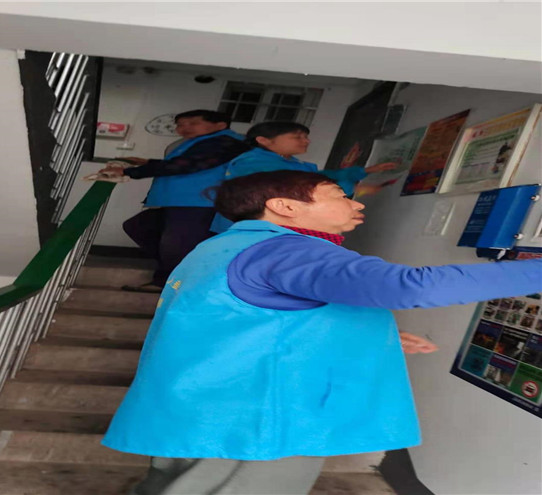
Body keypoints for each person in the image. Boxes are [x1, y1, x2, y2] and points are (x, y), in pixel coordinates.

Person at [102, 170, 542, 495]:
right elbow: (412, 287)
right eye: (340, 195)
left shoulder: (225, 246)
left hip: (198, 408)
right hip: (255, 422)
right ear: (285, 207)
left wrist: (366, 336)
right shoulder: (287, 250)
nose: (357, 205)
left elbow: (240, 316)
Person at [98, 109, 250, 292]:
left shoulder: (224, 142)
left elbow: (188, 165)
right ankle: (185, 273)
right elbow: (188, 162)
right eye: (179, 124)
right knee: (140, 227)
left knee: (177, 244)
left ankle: (167, 284)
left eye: (193, 123)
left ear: (220, 125)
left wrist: (128, 171)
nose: (184, 128)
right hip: (183, 201)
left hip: (199, 202)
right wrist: (147, 163)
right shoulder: (205, 141)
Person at [209, 121, 396, 233]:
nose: (306, 141)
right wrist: (352, 188)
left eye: (306, 137)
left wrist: (366, 171)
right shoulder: (253, 162)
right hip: (251, 227)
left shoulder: (290, 162)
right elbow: (295, 187)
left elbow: (319, 177)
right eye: (297, 137)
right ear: (264, 140)